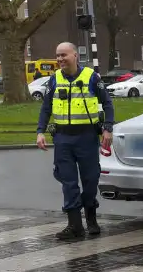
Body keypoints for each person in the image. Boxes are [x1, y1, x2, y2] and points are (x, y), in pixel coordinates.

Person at [36, 42, 115, 240]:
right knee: (68, 183)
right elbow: (46, 108)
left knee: (90, 180)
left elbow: (107, 103)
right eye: (57, 55)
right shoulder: (54, 80)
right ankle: (75, 225)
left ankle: (91, 219)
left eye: (64, 55)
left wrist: (108, 128)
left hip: (87, 137)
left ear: (75, 56)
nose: (60, 59)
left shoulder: (91, 78)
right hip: (63, 138)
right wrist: (40, 131)